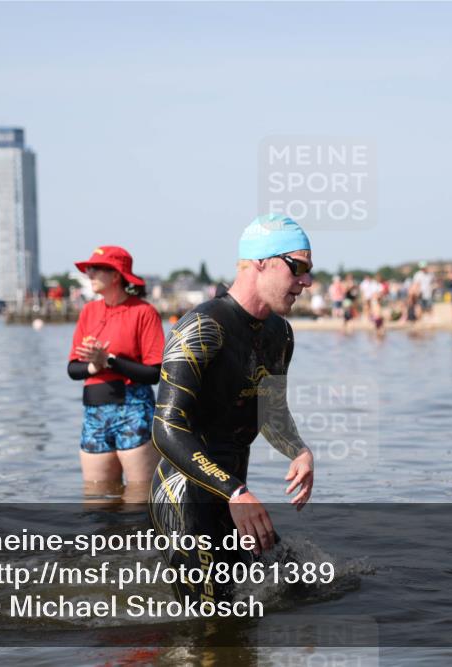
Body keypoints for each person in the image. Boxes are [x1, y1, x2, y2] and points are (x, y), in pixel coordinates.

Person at [149, 214, 315, 603]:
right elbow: (165, 428)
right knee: (214, 625)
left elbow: (269, 412)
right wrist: (234, 491)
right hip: (185, 497)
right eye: (299, 267)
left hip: (235, 497)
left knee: (301, 585)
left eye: (310, 271)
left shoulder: (279, 334)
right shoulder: (201, 328)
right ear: (261, 262)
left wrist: (299, 450)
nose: (307, 282)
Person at [68, 246, 165, 498]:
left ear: (116, 275)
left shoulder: (143, 312)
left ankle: (141, 538)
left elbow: (155, 373)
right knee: (96, 498)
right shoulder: (89, 311)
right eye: (88, 268)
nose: (89, 273)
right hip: (94, 413)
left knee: (139, 498)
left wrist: (109, 360)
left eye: (97, 268)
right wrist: (93, 366)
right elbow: (73, 369)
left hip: (134, 411)